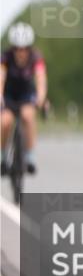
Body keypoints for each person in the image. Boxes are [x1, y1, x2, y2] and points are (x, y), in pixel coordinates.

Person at [1, 23, 47, 176]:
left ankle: (30, 156)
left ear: (29, 47)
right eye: (18, 48)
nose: (21, 52)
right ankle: (2, 156)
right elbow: (1, 77)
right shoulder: (5, 57)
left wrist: (40, 97)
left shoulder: (36, 57)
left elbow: (40, 78)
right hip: (9, 94)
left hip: (27, 94)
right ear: (13, 48)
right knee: (5, 121)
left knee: (28, 116)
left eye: (25, 48)